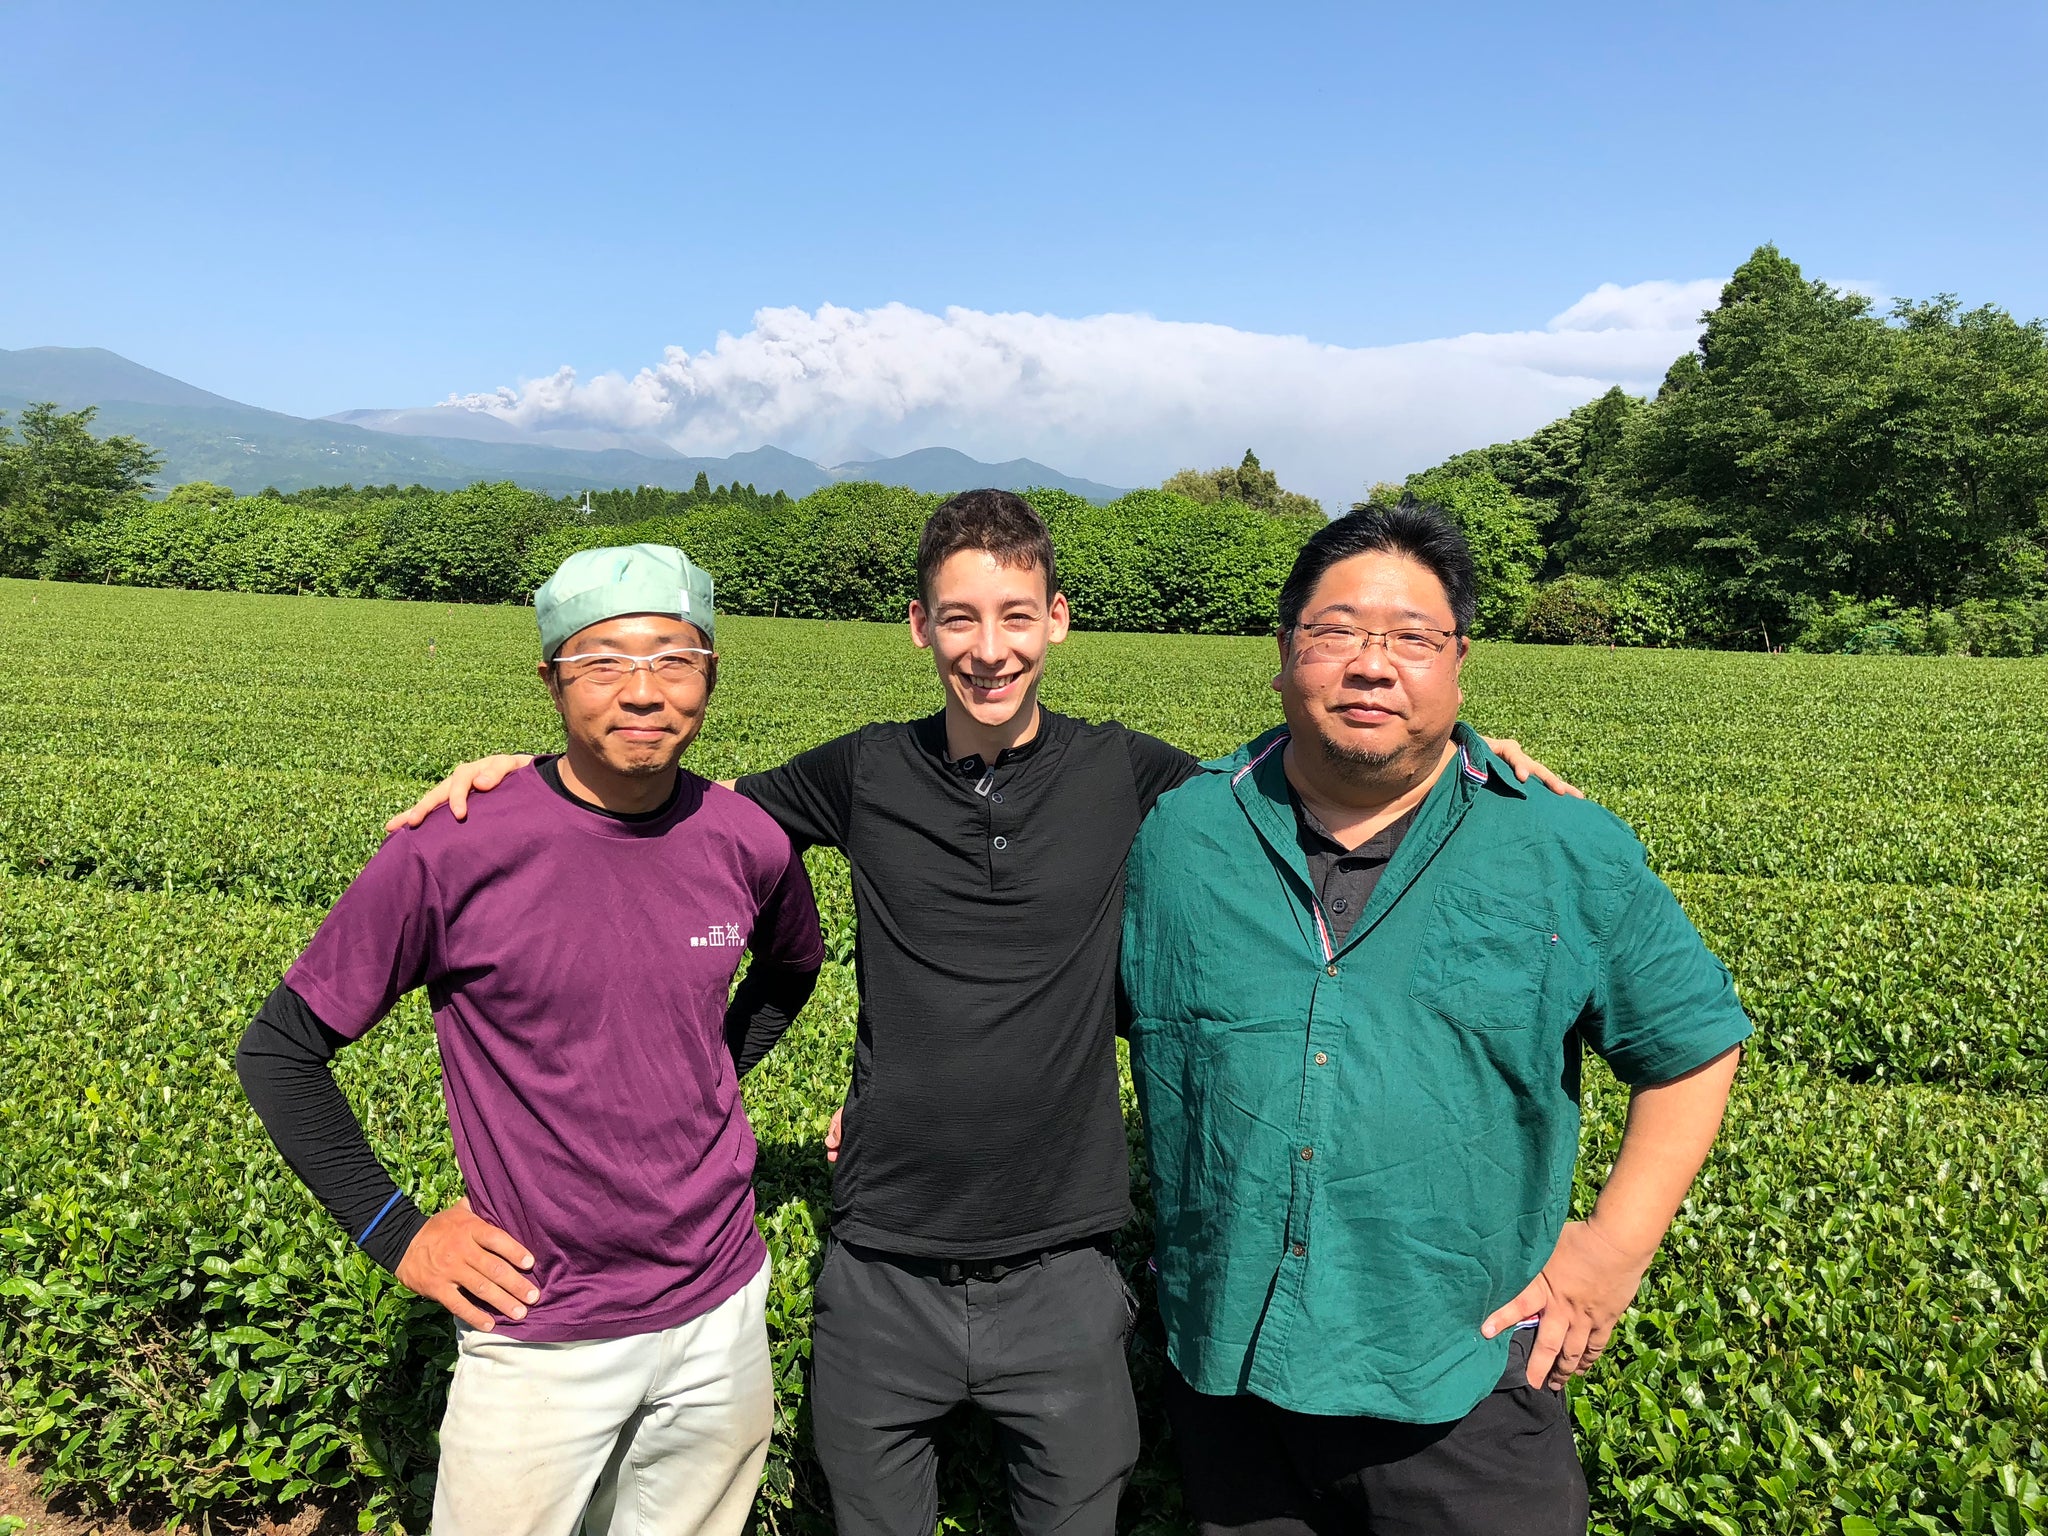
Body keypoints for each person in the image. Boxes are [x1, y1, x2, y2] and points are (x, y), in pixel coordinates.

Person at [394, 492, 1575, 1536]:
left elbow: (1304, 783)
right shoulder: (859, 772)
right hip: (879, 1248)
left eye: (1014, 616)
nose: (988, 649)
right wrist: (526, 781)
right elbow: (671, 815)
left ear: (1056, 620)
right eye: (959, 618)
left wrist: (1464, 762)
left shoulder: (1129, 775)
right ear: (919, 628)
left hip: (1063, 1251)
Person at [1119, 503, 1750, 1536]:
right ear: (1281, 655)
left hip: (1461, 1374)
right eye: (1335, 632)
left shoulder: (1558, 847)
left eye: (1411, 638)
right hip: (1229, 1371)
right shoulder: (1179, 833)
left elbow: (1689, 1046)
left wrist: (1611, 1248)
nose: (1371, 666)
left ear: (1458, 663)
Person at [237, 544, 824, 1536]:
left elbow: (793, 965)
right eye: (603, 661)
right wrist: (398, 1232)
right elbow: (280, 1050)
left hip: (720, 1306)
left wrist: (706, 1073)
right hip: (540, 1329)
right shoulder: (452, 846)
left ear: (710, 677)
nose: (643, 691)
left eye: (674, 659)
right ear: (550, 681)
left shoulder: (745, 839)